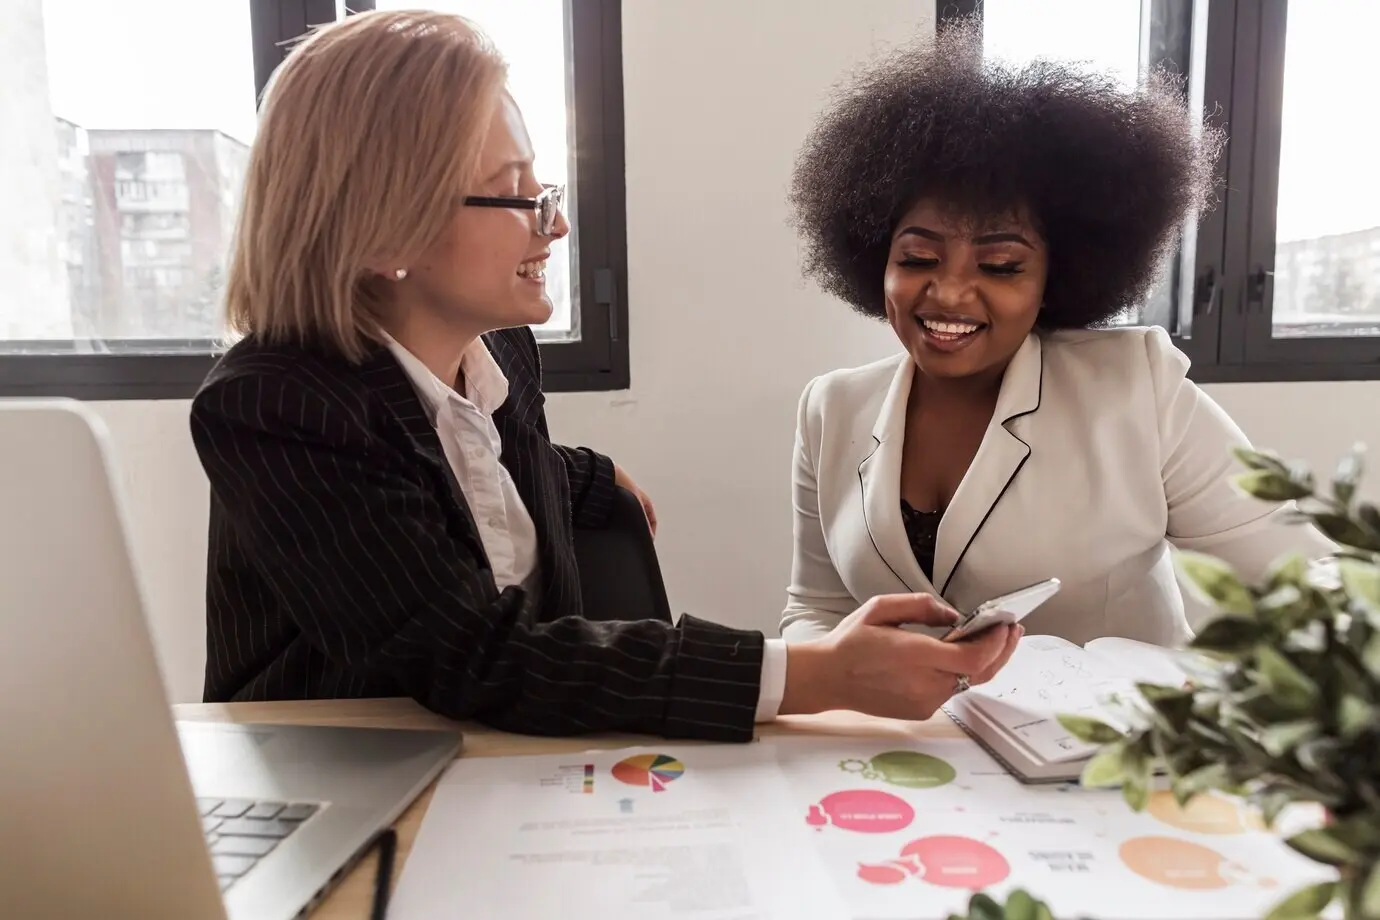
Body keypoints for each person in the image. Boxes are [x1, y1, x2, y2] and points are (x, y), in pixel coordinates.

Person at [189, 10, 1020, 741]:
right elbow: (473, 654)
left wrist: (584, 474)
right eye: (515, 197)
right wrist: (816, 674)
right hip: (340, 775)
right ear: (386, 231)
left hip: (493, 762)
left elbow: (456, 462)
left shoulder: (499, 350)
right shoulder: (274, 406)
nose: (552, 225)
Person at [779, 21, 1333, 648]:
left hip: (1109, 741)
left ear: (1055, 276)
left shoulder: (1136, 388)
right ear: (877, 260)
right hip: (911, 745)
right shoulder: (830, 408)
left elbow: (1308, 587)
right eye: (917, 259)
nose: (951, 292)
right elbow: (815, 610)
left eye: (1001, 266)